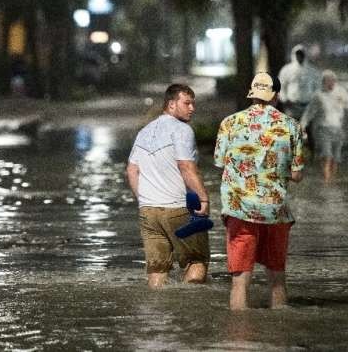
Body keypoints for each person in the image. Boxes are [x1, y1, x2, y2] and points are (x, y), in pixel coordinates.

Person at [214, 72, 304, 310]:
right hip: (276, 212)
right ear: (276, 95)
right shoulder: (292, 126)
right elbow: (297, 175)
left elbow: (220, 163)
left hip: (239, 210)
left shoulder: (229, 123)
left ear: (252, 93)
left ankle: (239, 330)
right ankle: (279, 324)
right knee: (277, 279)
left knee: (239, 283)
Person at [126, 83, 211, 288]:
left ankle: (157, 307)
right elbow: (186, 166)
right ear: (171, 104)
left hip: (148, 212)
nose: (192, 108)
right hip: (178, 208)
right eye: (187, 103)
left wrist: (144, 200)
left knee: (157, 269)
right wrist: (203, 198)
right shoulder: (182, 130)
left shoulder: (144, 131)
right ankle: (189, 306)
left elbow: (131, 170)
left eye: (193, 103)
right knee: (196, 261)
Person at [300, 69, 348, 181]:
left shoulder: (341, 92)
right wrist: (302, 125)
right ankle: (326, 181)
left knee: (335, 158)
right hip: (322, 129)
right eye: (328, 81)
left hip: (337, 128)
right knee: (327, 155)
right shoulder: (318, 95)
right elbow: (309, 112)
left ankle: (332, 179)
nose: (331, 83)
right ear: (323, 82)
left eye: (333, 81)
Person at [277, 44, 321, 121]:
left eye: (301, 54)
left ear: (305, 55)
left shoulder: (312, 71)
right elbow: (281, 85)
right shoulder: (286, 70)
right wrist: (285, 99)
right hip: (292, 107)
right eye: (297, 54)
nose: (299, 56)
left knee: (307, 127)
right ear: (294, 55)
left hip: (307, 107)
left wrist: (314, 101)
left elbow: (318, 87)